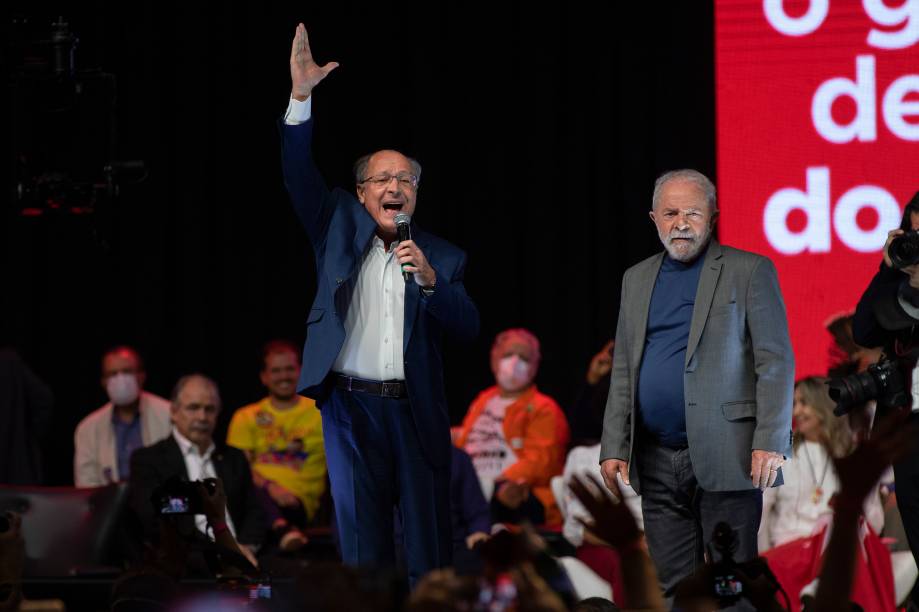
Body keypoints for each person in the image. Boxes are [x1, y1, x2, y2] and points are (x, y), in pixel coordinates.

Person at [279, 24, 479, 582]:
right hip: (350, 409)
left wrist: (432, 282)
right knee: (363, 552)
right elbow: (297, 174)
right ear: (363, 192)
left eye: (406, 179)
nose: (396, 187)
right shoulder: (335, 227)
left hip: (416, 411)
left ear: (416, 192)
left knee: (427, 552)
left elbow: (468, 328)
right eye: (383, 178)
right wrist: (300, 97)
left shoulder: (443, 256)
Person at [599, 169, 794, 598]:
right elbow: (625, 365)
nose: (681, 223)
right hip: (655, 456)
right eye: (670, 213)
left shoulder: (750, 270)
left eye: (692, 212)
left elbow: (775, 361)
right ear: (653, 218)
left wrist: (771, 440)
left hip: (730, 454)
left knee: (733, 587)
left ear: (714, 217)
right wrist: (614, 444)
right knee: (673, 589)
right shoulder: (636, 278)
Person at [851, 189, 919, 609]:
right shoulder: (900, 280)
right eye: (914, 234)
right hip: (907, 426)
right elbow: (863, 331)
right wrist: (888, 267)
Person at [128, 374, 265, 567]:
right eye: (193, 408)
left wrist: (247, 548)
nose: (202, 417)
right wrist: (222, 551)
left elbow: (254, 510)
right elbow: (156, 517)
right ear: (174, 412)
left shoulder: (234, 458)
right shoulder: (149, 460)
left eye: (209, 409)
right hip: (188, 563)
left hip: (245, 557)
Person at [454, 328, 569, 526]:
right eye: (508, 355)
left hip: (515, 491)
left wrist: (492, 484)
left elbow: (540, 463)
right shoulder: (483, 400)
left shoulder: (545, 408)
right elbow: (466, 438)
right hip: (472, 484)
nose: (515, 362)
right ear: (494, 360)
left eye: (524, 358)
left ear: (534, 367)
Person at [760, 377, 885, 550]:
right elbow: (763, 510)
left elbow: (874, 519)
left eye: (804, 403)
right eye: (794, 404)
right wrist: (765, 558)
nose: (796, 411)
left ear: (823, 404)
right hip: (788, 551)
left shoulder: (851, 453)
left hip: (835, 550)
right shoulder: (780, 454)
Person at [227, 340, 326, 549]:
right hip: (255, 496)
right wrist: (271, 487)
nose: (284, 376)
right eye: (276, 371)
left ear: (301, 371)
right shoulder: (245, 416)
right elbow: (238, 470)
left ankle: (279, 529)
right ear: (264, 377)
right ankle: (282, 529)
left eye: (289, 369)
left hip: (296, 502)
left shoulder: (322, 413)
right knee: (243, 491)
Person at [74, 346, 170, 487]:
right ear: (103, 382)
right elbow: (86, 485)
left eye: (127, 371)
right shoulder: (88, 429)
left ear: (141, 376)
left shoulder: (169, 415)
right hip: (110, 500)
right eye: (112, 374)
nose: (120, 379)